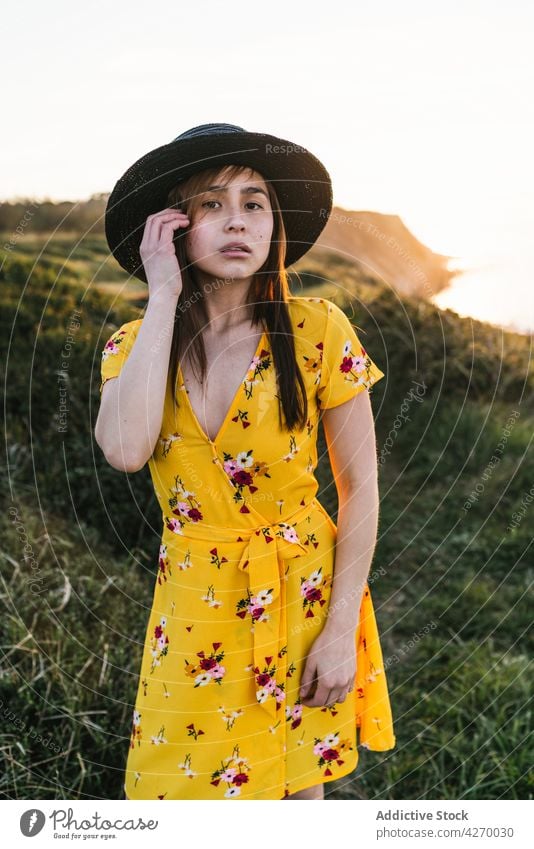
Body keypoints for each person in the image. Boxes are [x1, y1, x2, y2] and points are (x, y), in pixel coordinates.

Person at [95, 123, 396, 801]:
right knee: (173, 790)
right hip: (194, 601)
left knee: (295, 787)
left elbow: (362, 489)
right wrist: (164, 297)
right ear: (173, 226)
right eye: (211, 204)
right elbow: (123, 450)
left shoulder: (318, 328)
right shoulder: (133, 344)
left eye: (254, 202)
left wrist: (340, 627)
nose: (238, 221)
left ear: (274, 224)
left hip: (302, 590)